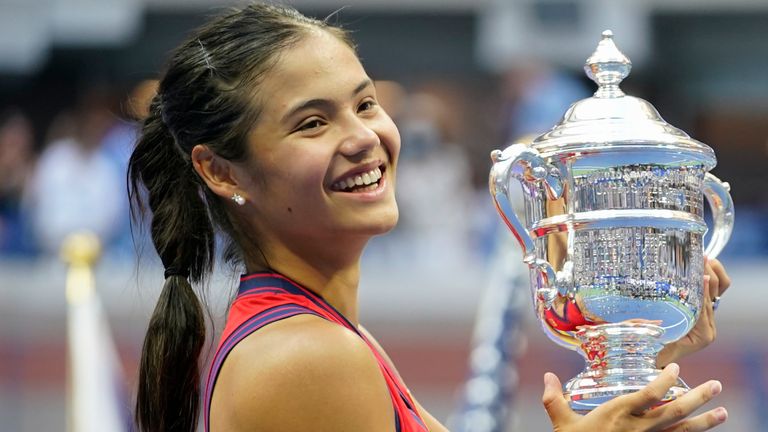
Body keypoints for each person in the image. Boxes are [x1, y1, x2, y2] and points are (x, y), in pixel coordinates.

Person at [127, 4, 730, 432]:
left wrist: (632, 358)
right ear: (221, 171)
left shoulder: (331, 339)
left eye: (365, 104)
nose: (364, 137)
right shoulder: (306, 358)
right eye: (312, 123)